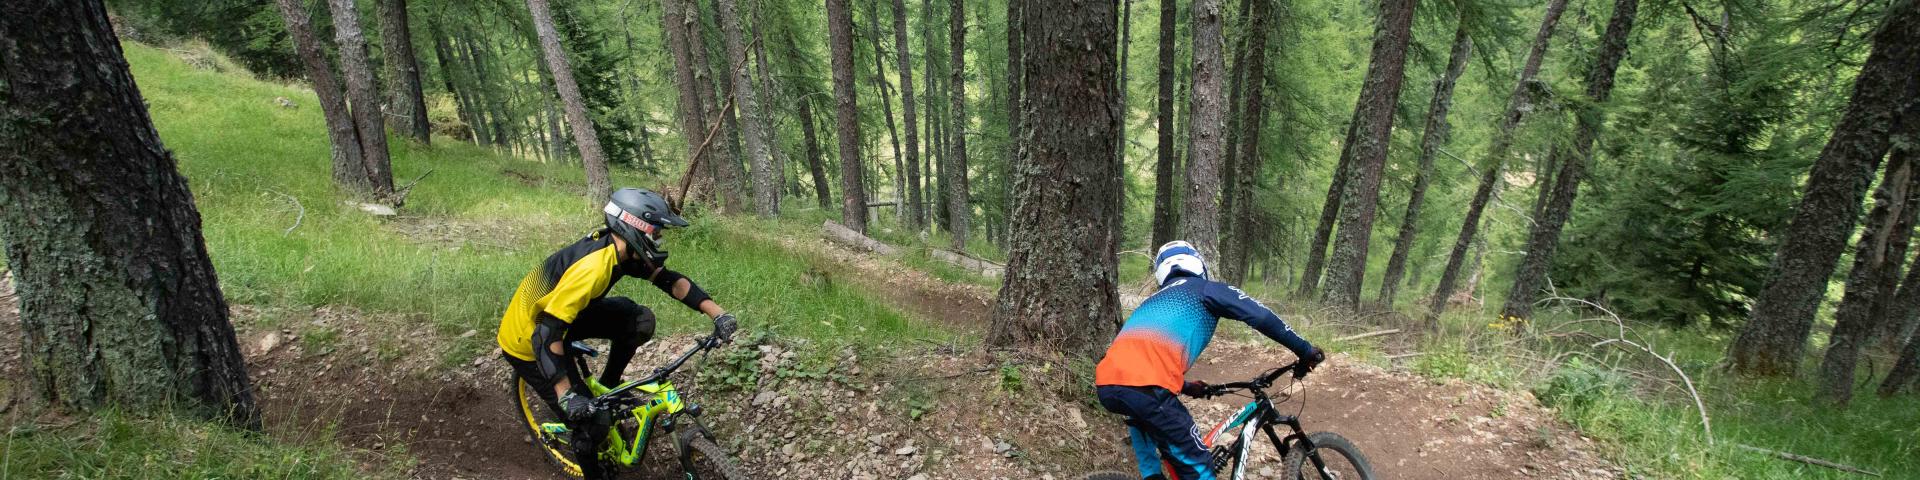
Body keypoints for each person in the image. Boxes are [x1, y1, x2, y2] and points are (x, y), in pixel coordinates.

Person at [495, 187, 738, 479]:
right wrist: (567, 396)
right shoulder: (593, 269)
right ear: (634, 227)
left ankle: (607, 389)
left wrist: (718, 313)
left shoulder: (621, 251)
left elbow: (669, 280)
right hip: (528, 336)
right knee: (592, 425)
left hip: (560, 315)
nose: (659, 238)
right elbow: (546, 335)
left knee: (638, 321)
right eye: (656, 232)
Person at [1094, 241, 1325, 480]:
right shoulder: (1206, 289)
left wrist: (1187, 386)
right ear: (1198, 263)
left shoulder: (1149, 302)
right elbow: (1261, 316)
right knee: (1200, 466)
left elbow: (1141, 358)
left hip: (1110, 385)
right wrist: (1305, 350)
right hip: (1147, 389)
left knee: (1153, 465)